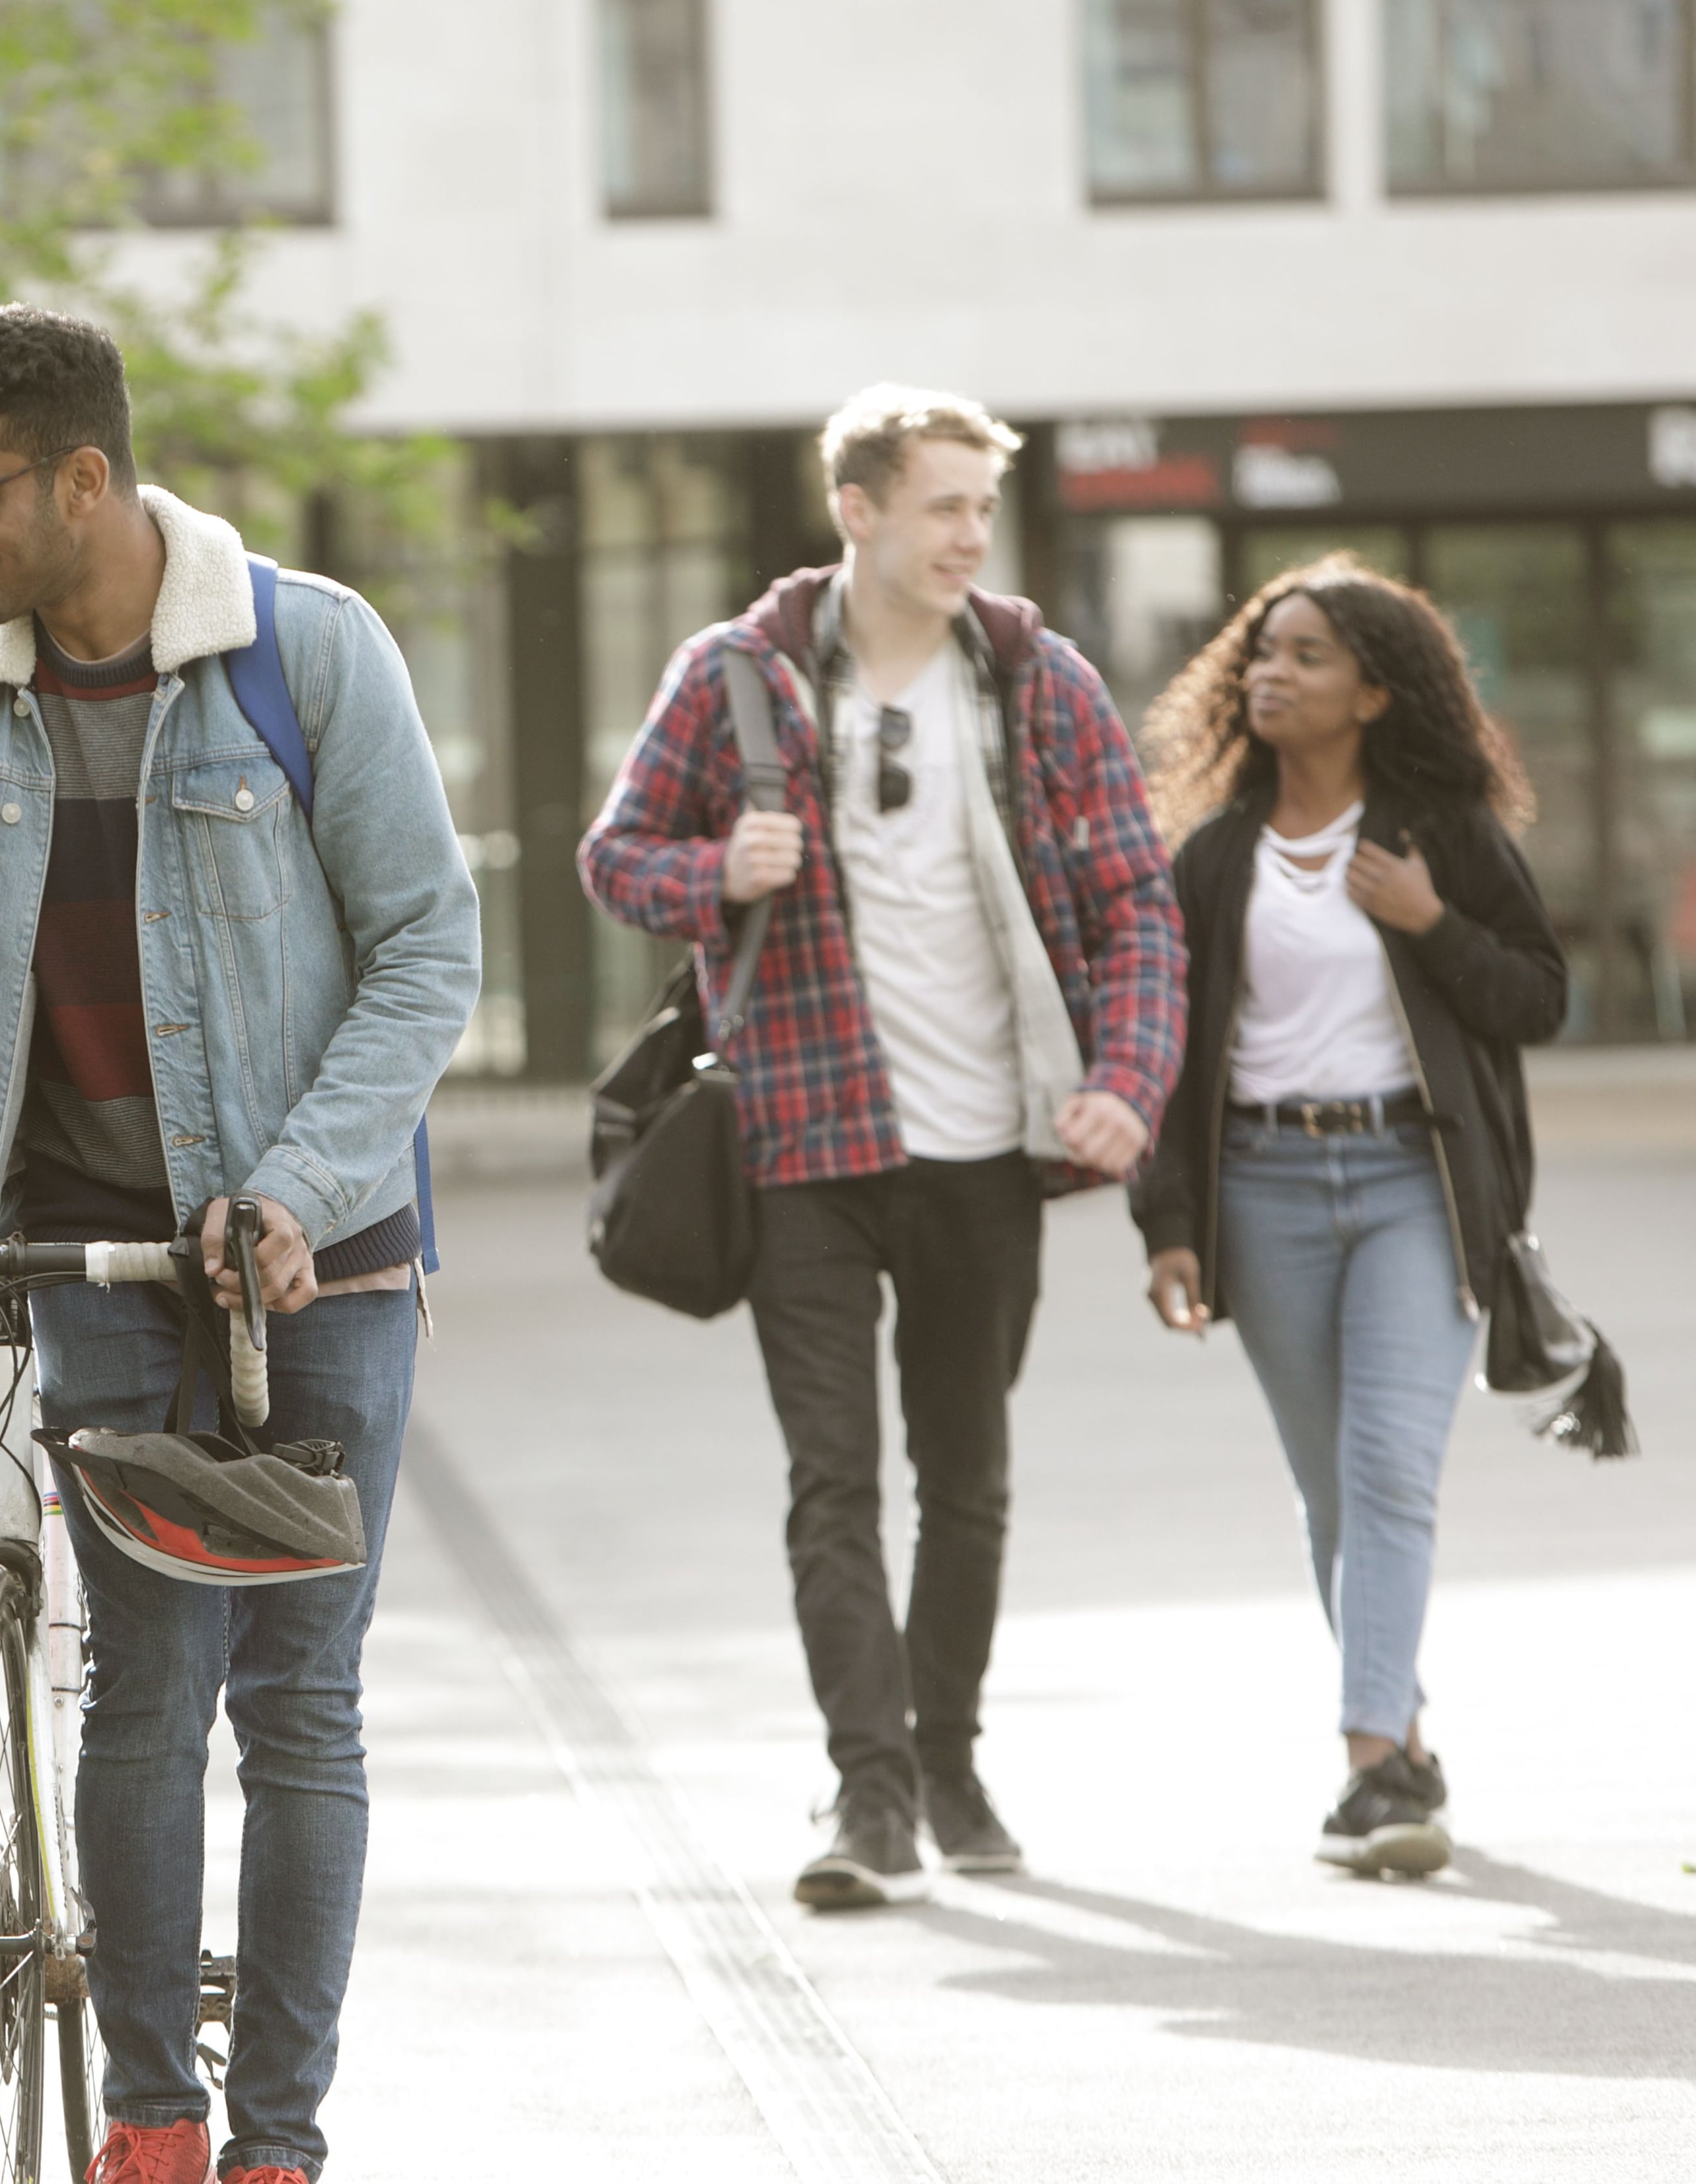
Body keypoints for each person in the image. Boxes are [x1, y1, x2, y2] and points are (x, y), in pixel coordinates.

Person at [0, 305, 479, 2184]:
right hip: (94, 1257)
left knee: (301, 1695)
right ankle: (149, 2117)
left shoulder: (308, 651)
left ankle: (277, 2141)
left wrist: (293, 1178)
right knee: (143, 1679)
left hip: (327, 1259)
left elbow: (427, 951)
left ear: (83, 478)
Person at [580, 385, 1187, 1909]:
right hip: (806, 1137)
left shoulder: (1036, 682)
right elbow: (613, 855)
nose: (969, 535)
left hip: (989, 1143)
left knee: (965, 1476)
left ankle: (949, 1751)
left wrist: (1127, 1077)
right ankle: (868, 1790)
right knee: (831, 1482)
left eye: (983, 509)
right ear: (856, 508)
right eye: (942, 506)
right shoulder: (735, 677)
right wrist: (716, 867)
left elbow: (1136, 906)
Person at [1131, 556, 1565, 1878]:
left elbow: (1538, 996)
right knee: (1331, 1493)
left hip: (1410, 1186)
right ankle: (1410, 1741)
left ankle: (1370, 1761)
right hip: (1260, 1188)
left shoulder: (1437, 836)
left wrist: (1431, 923)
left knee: (1386, 1472)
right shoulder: (1211, 859)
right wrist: (1168, 1224)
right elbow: (1167, 1048)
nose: (1272, 672)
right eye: (1260, 653)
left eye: (1308, 655)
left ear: (1375, 691)